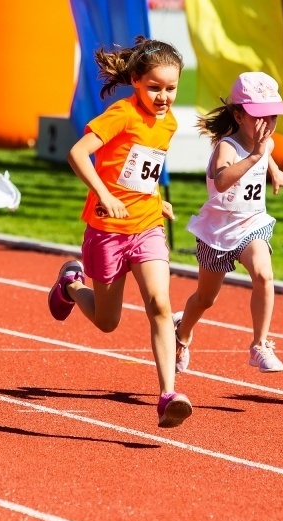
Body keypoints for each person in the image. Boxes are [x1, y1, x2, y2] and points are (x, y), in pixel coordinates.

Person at [49, 37, 192, 428]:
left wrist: (155, 199)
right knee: (107, 321)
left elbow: (142, 169)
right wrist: (104, 194)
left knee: (160, 304)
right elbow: (77, 153)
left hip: (146, 225)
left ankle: (168, 395)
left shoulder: (169, 122)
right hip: (107, 230)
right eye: (155, 88)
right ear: (135, 81)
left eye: (171, 88)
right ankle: (70, 286)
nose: (164, 97)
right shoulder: (122, 114)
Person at [171, 72, 283, 374]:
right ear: (239, 116)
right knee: (205, 299)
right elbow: (221, 180)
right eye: (259, 117)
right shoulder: (227, 147)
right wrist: (254, 157)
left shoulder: (265, 144)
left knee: (264, 275)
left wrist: (276, 173)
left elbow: (267, 155)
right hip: (217, 231)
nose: (268, 124)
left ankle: (260, 345)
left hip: (252, 223)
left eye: (273, 117)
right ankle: (182, 333)